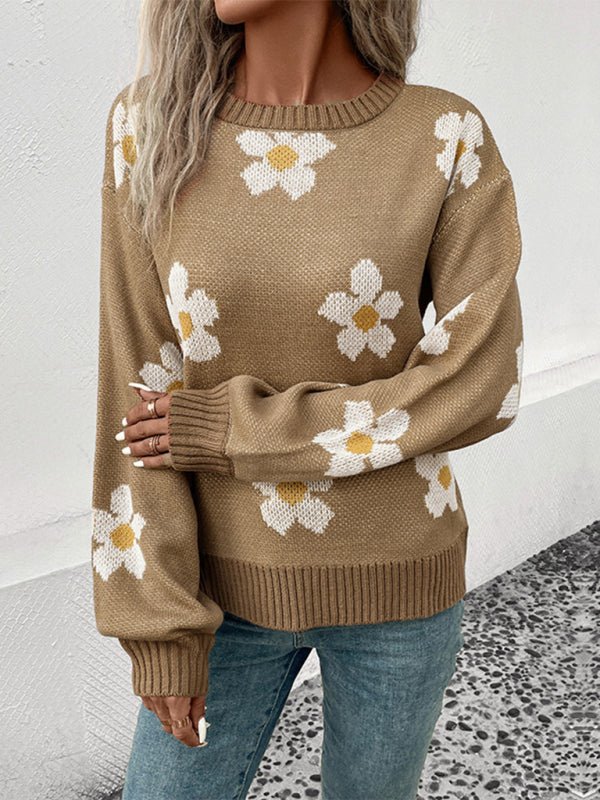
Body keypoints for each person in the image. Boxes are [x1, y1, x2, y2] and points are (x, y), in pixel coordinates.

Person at [90, 1, 524, 797]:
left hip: (400, 583)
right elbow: (136, 389)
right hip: (219, 592)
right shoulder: (147, 127)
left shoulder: (444, 136)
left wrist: (237, 431)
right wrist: (159, 625)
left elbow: (483, 380)